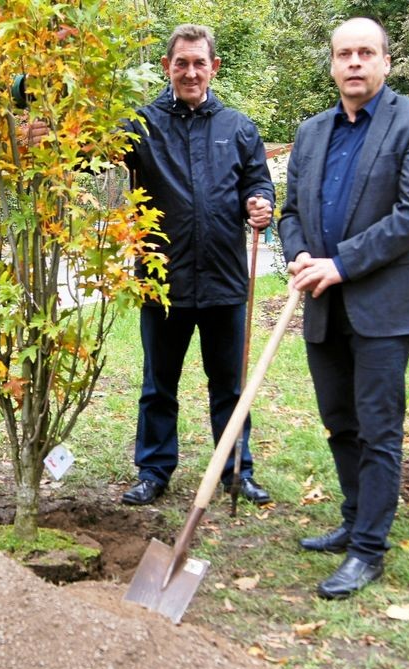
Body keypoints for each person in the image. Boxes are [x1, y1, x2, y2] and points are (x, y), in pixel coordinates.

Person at [277, 17, 409, 598]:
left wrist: (341, 263)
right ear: (331, 64)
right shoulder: (310, 132)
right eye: (344, 54)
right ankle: (354, 518)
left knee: (378, 427)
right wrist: (300, 253)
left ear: (384, 62)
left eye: (365, 53)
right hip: (324, 303)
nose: (354, 62)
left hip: (384, 303)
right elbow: (290, 213)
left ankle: (369, 549)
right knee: (339, 422)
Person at [116, 23, 275, 508]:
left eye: (198, 63)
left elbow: (259, 183)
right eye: (180, 63)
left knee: (228, 384)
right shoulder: (141, 125)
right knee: (158, 385)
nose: (189, 72)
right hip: (163, 279)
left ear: (213, 68)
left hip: (225, 278)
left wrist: (261, 203)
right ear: (167, 67)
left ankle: (235, 470)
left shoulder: (239, 128)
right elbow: (88, 158)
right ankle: (154, 471)